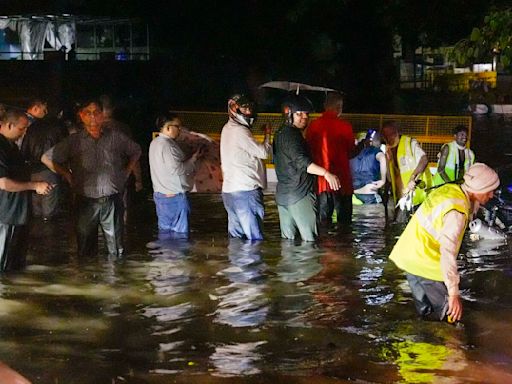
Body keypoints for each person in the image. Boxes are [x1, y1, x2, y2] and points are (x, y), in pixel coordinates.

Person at [389, 163, 499, 322]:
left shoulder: (450, 191)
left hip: (409, 256)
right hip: (425, 262)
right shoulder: (457, 211)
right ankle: (452, 345)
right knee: (450, 316)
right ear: (478, 189)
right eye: (490, 191)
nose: (491, 195)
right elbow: (447, 252)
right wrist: (454, 293)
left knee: (427, 314)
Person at [41, 99, 141, 257]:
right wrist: (66, 174)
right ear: (81, 116)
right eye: (88, 113)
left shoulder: (116, 137)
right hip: (85, 200)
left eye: (96, 113)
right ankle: (87, 279)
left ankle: (115, 279)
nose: (92, 117)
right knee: (85, 250)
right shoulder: (74, 141)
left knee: (116, 249)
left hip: (111, 199)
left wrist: (126, 172)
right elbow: (46, 158)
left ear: (102, 115)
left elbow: (136, 150)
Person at [273, 94, 341, 242]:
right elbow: (302, 162)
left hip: (284, 195)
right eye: (299, 113)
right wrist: (326, 173)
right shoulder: (291, 135)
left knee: (288, 241)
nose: (304, 117)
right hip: (300, 194)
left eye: (306, 113)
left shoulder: (280, 134)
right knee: (309, 241)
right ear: (288, 113)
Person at [0, 109, 52, 271]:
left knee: (15, 265)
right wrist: (34, 186)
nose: (24, 133)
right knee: (4, 266)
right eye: (22, 129)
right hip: (6, 217)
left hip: (17, 214)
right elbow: (3, 183)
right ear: (9, 125)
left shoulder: (11, 146)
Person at [220, 93, 271, 240]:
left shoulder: (227, 128)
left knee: (236, 240)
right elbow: (263, 153)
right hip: (246, 192)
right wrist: (268, 134)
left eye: (250, 108)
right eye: (245, 108)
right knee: (254, 239)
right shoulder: (240, 131)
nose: (249, 112)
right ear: (234, 109)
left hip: (230, 192)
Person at [305, 92, 355, 226]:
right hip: (343, 182)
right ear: (339, 107)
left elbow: (307, 150)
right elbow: (351, 152)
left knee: (323, 225)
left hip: (322, 182)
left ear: (325, 105)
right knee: (345, 225)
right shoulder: (346, 127)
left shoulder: (313, 126)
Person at [149, 112, 201, 236]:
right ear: (168, 128)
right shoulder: (167, 145)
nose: (180, 130)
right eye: (177, 126)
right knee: (180, 237)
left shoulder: (155, 143)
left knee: (166, 234)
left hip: (161, 196)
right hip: (174, 198)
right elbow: (177, 169)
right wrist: (193, 160)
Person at [21, 99, 67, 220]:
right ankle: (49, 236)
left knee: (36, 210)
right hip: (50, 169)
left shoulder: (32, 127)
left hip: (33, 172)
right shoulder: (58, 127)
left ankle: (36, 236)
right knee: (49, 212)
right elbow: (65, 149)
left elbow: (24, 151)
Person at [381, 121, 432, 222]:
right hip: (400, 201)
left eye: (390, 134)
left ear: (395, 133)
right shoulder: (388, 150)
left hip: (417, 197)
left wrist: (413, 178)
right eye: (385, 136)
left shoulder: (410, 143)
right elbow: (391, 177)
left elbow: (424, 159)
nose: (388, 138)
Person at [350, 130, 387, 204]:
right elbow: (382, 158)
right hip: (369, 195)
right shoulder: (374, 151)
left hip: (352, 196)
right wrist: (383, 180)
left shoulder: (351, 153)